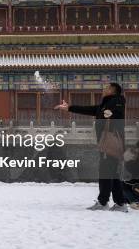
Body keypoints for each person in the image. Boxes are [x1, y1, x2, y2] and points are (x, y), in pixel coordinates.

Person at [55, 83, 128, 212]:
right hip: (109, 143)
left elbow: (115, 112)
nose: (103, 89)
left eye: (106, 88)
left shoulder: (117, 101)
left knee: (105, 172)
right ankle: (120, 203)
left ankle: (103, 202)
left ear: (112, 90)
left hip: (111, 143)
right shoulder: (105, 104)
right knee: (113, 173)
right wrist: (70, 108)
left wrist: (108, 113)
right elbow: (90, 109)